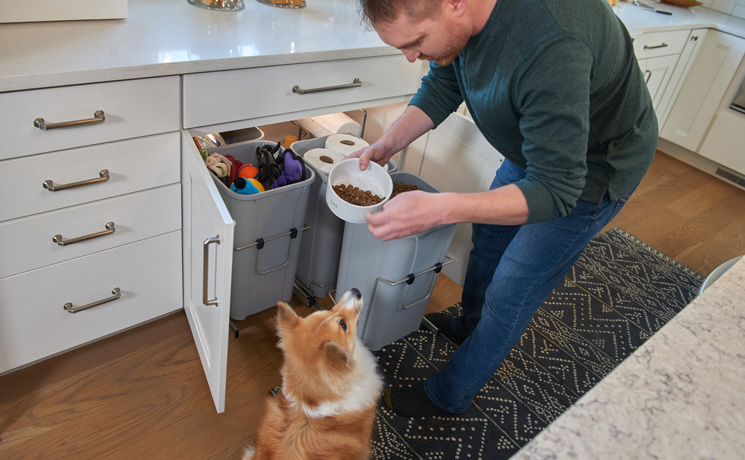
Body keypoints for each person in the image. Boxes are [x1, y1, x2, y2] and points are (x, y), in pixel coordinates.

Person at [348, 0, 658, 417]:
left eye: (416, 42)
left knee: (512, 289)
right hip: (537, 145)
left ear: (455, 4)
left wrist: (443, 208)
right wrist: (388, 143)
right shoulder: (460, 24)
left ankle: (449, 394)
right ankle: (468, 327)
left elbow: (556, 188)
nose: (410, 56)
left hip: (590, 169)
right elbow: (444, 82)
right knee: (489, 240)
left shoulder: (551, 44)